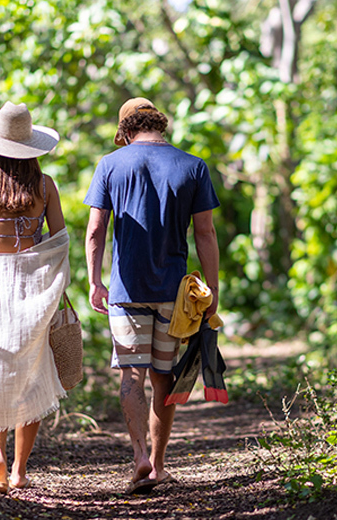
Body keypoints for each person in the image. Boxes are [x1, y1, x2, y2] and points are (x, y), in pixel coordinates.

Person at [84, 97, 221, 494]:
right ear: (160, 126)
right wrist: (211, 290)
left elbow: (95, 231)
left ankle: (139, 455)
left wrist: (95, 281)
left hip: (126, 293)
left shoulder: (111, 164)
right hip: (173, 293)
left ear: (126, 131)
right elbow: (206, 234)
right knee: (165, 376)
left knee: (132, 375)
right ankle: (159, 467)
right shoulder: (192, 166)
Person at [0, 101, 70, 494]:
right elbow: (59, 240)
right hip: (33, 285)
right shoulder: (45, 186)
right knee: (32, 372)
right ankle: (20, 469)